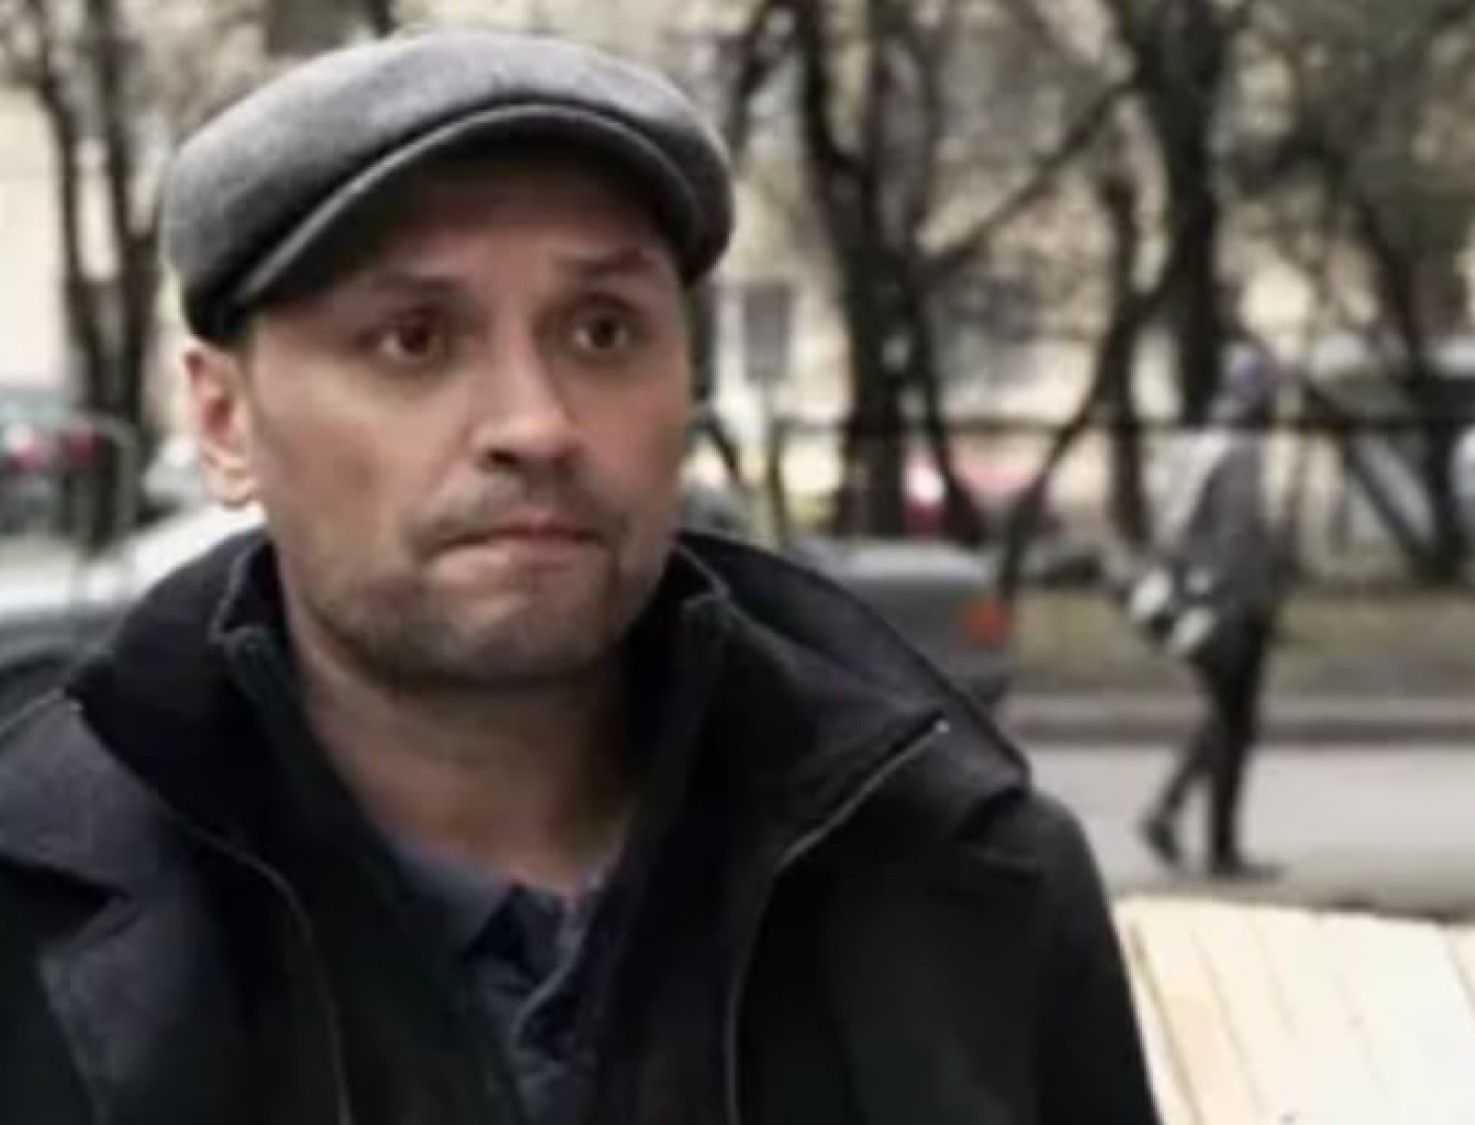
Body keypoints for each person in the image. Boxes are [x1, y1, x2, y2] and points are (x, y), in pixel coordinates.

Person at [0, 28, 1160, 1125]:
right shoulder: (34, 914)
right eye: (414, 338)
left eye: (602, 331)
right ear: (224, 420)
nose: (537, 424)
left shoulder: (964, 887)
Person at [1139, 345, 1289, 880]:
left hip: (1195, 601)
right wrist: (1255, 603)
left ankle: (1168, 813)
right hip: (1228, 607)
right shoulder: (1243, 451)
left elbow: (1174, 529)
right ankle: (1219, 848)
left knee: (1227, 718)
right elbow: (1239, 538)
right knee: (1234, 723)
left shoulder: (1202, 442)